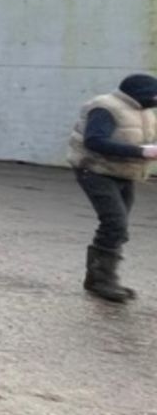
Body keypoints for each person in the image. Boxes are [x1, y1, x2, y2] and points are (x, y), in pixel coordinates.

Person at [67, 73, 157, 303]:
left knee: (118, 224)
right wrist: (142, 152)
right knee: (115, 224)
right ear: (140, 95)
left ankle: (101, 278)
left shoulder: (143, 110)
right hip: (95, 170)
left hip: (123, 173)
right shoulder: (105, 108)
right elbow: (94, 141)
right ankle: (101, 281)